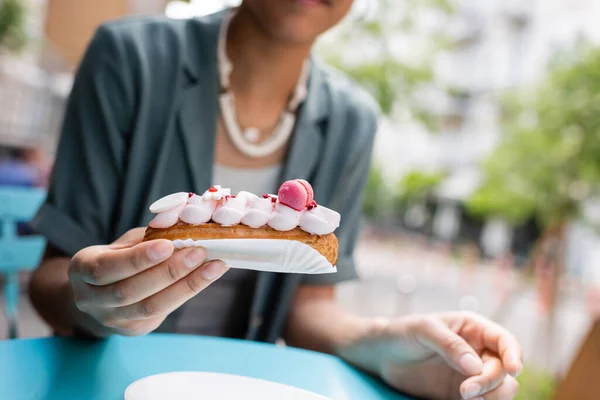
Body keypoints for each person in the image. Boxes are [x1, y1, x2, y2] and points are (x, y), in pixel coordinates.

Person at [29, 2, 522, 399]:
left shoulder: (353, 120)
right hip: (97, 381)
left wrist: (390, 349)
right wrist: (97, 302)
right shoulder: (129, 57)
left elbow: (309, 308)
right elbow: (49, 281)